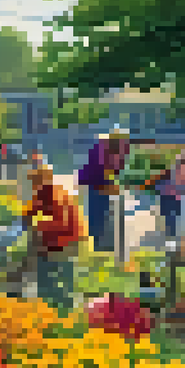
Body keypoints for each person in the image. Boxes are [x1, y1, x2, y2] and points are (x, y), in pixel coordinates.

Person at [25, 163, 86, 312]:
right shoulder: (41, 193)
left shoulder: (57, 195)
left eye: (37, 180)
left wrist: (39, 225)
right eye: (33, 181)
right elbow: (32, 209)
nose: (34, 185)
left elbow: (62, 223)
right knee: (44, 272)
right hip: (53, 241)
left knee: (62, 277)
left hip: (67, 241)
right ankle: (47, 304)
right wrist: (28, 216)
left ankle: (64, 308)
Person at [77, 127, 130, 254]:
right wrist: (112, 184)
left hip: (106, 186)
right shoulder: (101, 149)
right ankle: (100, 247)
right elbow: (102, 170)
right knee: (98, 217)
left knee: (111, 215)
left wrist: (118, 183)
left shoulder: (123, 150)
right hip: (95, 184)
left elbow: (120, 169)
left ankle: (111, 247)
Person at [149, 151, 185, 247]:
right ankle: (171, 239)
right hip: (170, 196)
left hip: (169, 195)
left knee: (172, 216)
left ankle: (171, 238)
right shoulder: (183, 168)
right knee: (172, 217)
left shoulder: (179, 168)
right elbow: (180, 184)